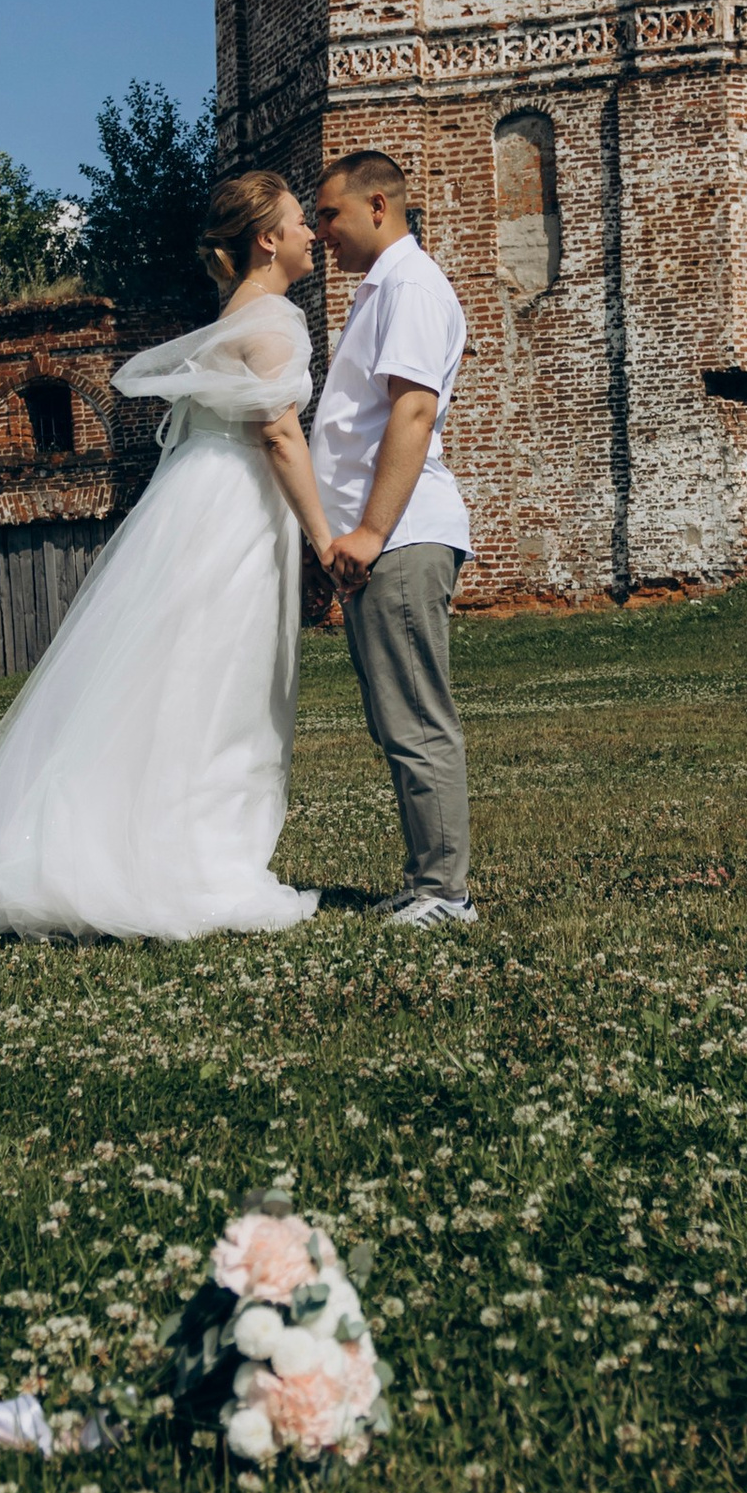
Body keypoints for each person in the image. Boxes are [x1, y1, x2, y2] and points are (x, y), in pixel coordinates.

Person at [0, 171, 340, 942]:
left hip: (197, 500)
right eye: (298, 220)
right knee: (223, 685)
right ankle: (195, 864)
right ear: (267, 239)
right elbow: (280, 435)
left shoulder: (233, 315)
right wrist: (325, 539)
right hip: (235, 513)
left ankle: (144, 840)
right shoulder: (274, 319)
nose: (312, 231)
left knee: (178, 675)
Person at [311, 152, 476, 928]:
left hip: (401, 535)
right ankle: (426, 881)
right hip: (384, 538)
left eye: (330, 215)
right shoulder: (384, 287)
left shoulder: (409, 286)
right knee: (395, 715)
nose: (322, 232)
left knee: (414, 714)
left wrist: (371, 531)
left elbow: (413, 410)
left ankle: (445, 893)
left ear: (377, 206)